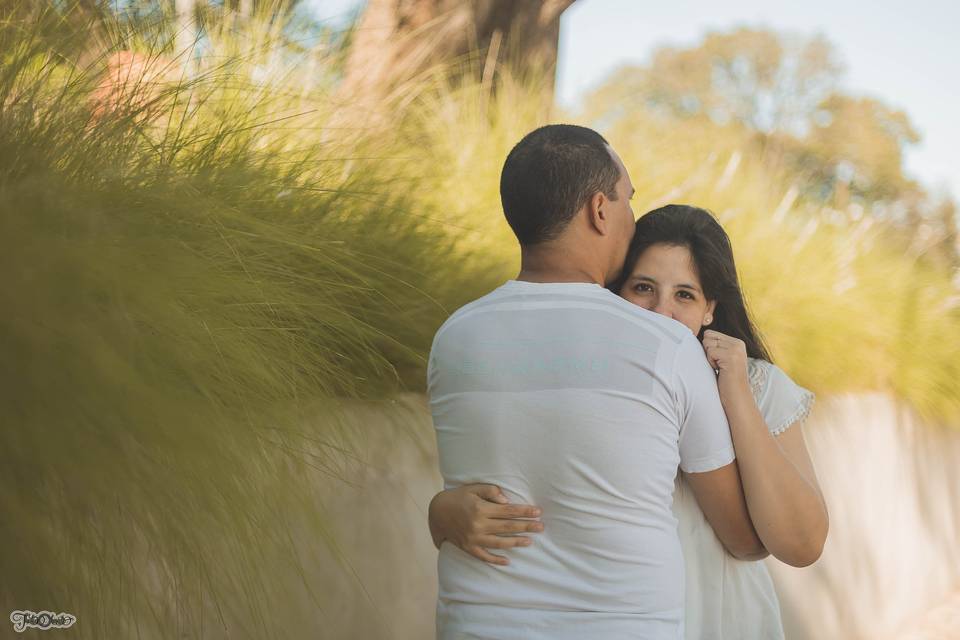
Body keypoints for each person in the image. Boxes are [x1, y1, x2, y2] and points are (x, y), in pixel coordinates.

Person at [429, 204, 830, 639]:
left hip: (721, 619)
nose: (660, 312)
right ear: (614, 291)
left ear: (711, 307)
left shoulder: (758, 384)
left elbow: (802, 544)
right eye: (643, 288)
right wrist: (441, 513)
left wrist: (737, 396)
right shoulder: (584, 378)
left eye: (684, 295)